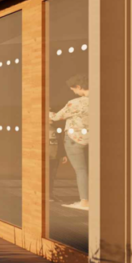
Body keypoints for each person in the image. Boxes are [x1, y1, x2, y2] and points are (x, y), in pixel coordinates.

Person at [49, 73, 89, 210]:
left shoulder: (76, 103)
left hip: (75, 140)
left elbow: (56, 117)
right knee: (91, 170)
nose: (74, 92)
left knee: (81, 170)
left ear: (78, 87)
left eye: (73, 90)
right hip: (92, 140)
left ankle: (85, 202)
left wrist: (46, 112)